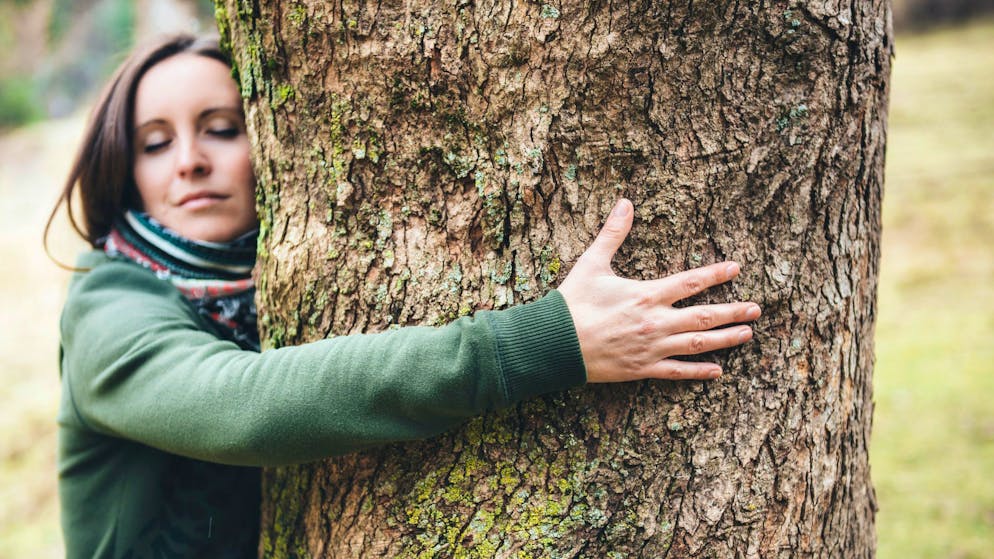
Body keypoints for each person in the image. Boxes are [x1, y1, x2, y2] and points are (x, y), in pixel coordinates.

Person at [47, 34, 761, 558]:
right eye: (153, 143)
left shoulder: (269, 283)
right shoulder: (110, 308)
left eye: (222, 128)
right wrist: (546, 341)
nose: (191, 160)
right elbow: (244, 406)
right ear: (124, 170)